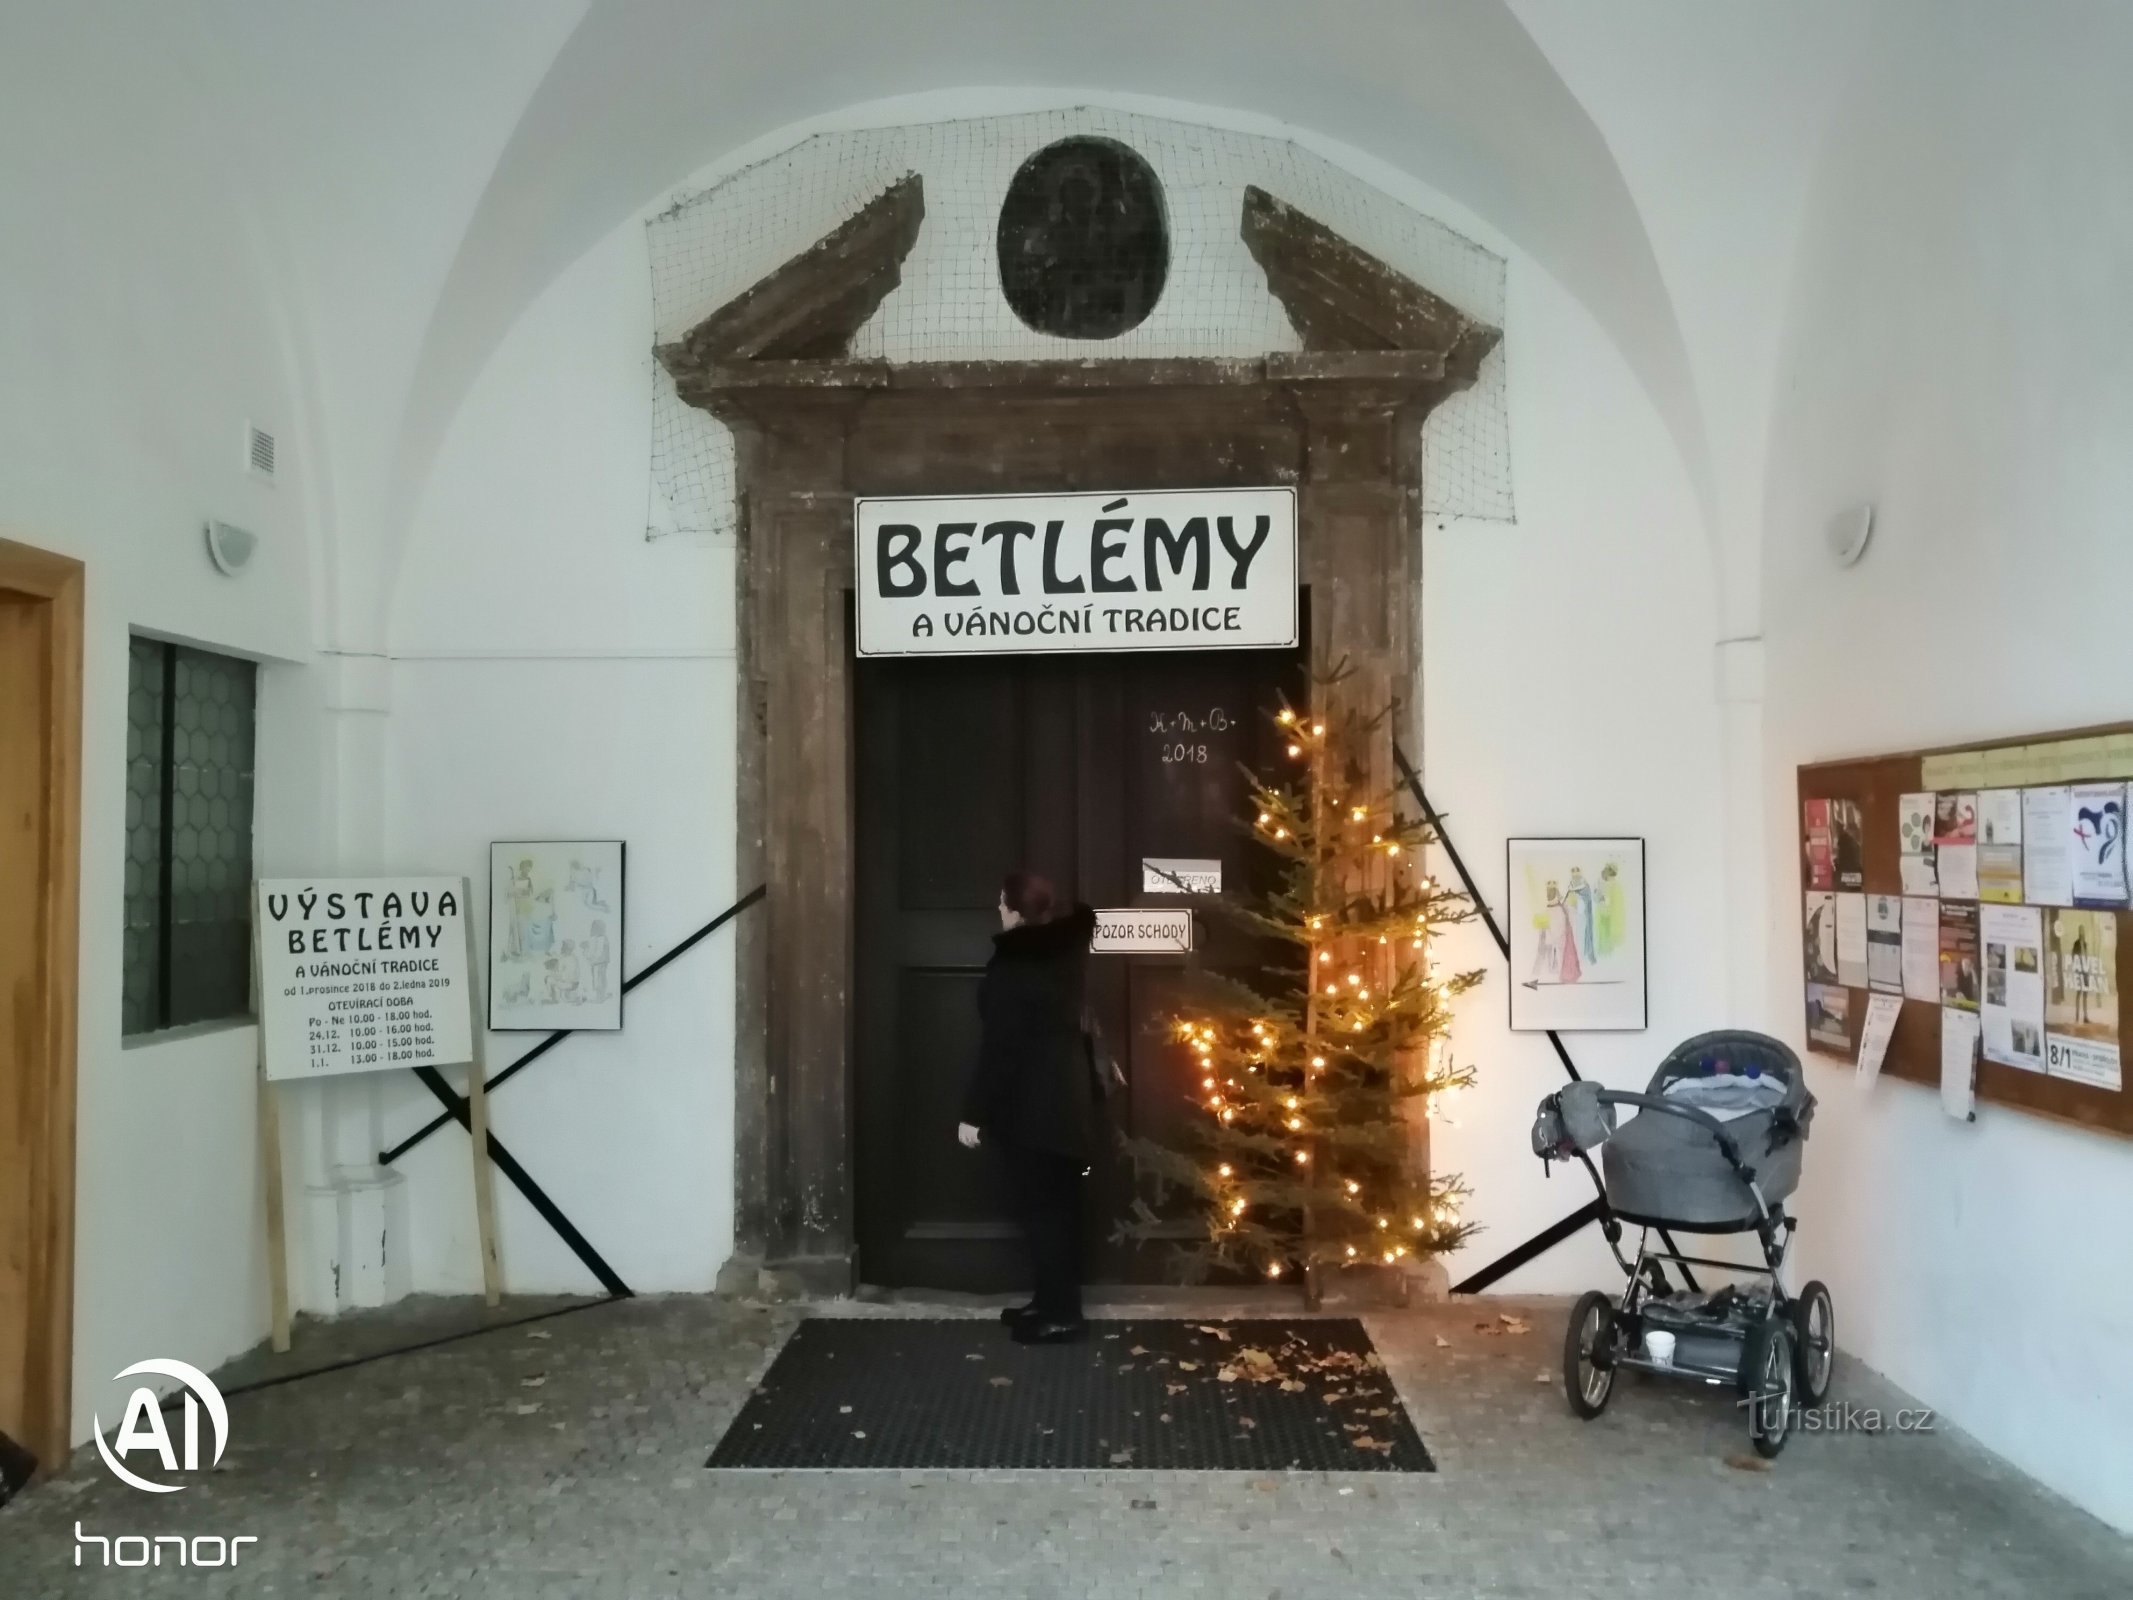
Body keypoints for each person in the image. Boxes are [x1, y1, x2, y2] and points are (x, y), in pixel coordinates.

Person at [956, 871, 1099, 1345]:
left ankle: (1062, 1314)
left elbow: (1001, 1049)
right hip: (1066, 1099)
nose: (998, 910)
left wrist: (974, 1113)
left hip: (1033, 1107)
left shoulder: (1015, 966)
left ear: (1014, 911)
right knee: (1056, 1208)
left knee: (1043, 1212)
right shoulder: (1063, 956)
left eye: (1001, 904)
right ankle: (1050, 1301)